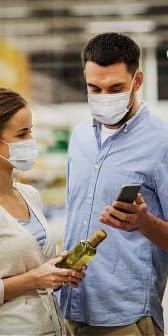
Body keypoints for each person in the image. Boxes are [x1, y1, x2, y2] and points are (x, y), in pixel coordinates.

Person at [61, 33, 168, 336]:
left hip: (124, 316)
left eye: (115, 88)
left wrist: (145, 223)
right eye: (94, 88)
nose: (103, 96)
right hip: (67, 306)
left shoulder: (167, 145)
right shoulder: (79, 138)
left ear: (137, 80)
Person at [0, 88, 85, 336]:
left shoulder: (29, 195)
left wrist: (57, 270)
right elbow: (33, 276)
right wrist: (35, 279)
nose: (31, 141)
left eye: (31, 131)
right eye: (22, 133)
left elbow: (35, 265)